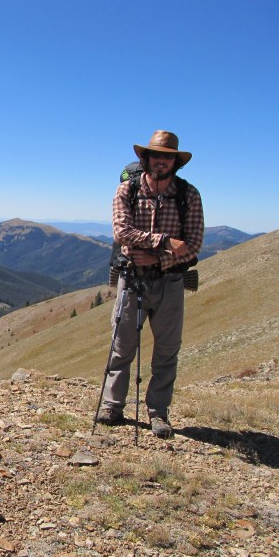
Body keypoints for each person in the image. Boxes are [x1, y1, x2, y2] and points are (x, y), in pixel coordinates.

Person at [97, 130, 204, 438]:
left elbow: (194, 245)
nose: (161, 161)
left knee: (167, 350)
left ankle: (158, 412)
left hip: (170, 281)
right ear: (145, 158)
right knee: (122, 346)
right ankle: (112, 405)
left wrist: (155, 258)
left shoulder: (188, 195)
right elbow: (122, 233)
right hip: (132, 278)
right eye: (156, 155)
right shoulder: (127, 190)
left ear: (176, 162)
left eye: (167, 157)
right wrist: (166, 243)